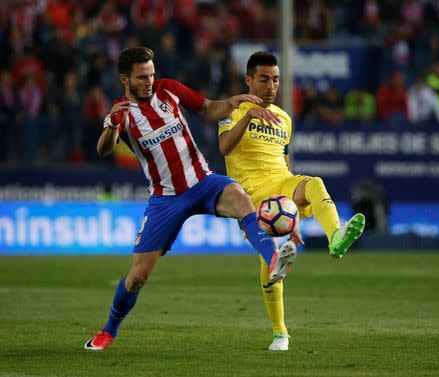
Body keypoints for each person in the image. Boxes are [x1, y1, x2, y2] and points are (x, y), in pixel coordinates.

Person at [84, 47, 297, 350]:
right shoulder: (121, 113)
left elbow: (209, 108)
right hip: (166, 198)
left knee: (240, 198)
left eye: (151, 74)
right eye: (142, 77)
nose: (149, 81)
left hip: (203, 182)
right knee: (138, 277)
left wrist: (234, 103)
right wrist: (113, 126)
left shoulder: (169, 90)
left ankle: (273, 257)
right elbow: (104, 149)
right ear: (125, 78)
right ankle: (108, 331)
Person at [217, 51, 365, 351]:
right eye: (264, 79)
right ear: (249, 80)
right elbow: (224, 147)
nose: (271, 86)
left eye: (276, 80)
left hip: (280, 183)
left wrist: (292, 214)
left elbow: (284, 164)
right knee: (270, 257)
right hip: (249, 193)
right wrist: (247, 115)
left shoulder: (284, 118)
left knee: (314, 182)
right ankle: (280, 332)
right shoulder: (230, 109)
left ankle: (335, 236)